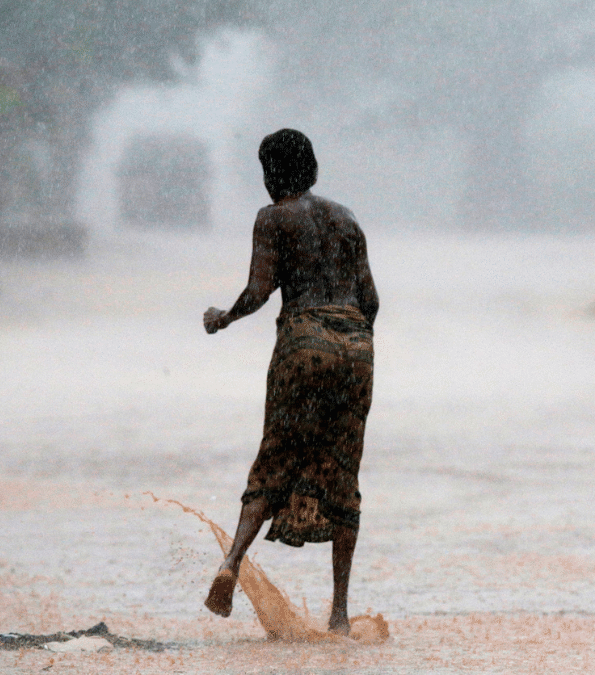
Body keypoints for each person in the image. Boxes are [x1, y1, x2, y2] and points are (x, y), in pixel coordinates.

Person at [202, 129, 378, 635]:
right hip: (355, 347)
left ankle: (232, 562)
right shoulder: (347, 219)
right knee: (343, 470)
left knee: (274, 458)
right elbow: (371, 300)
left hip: (304, 342)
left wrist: (223, 317)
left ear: (270, 172)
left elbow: (259, 291)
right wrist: (354, 349)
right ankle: (340, 614)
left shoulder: (274, 218)